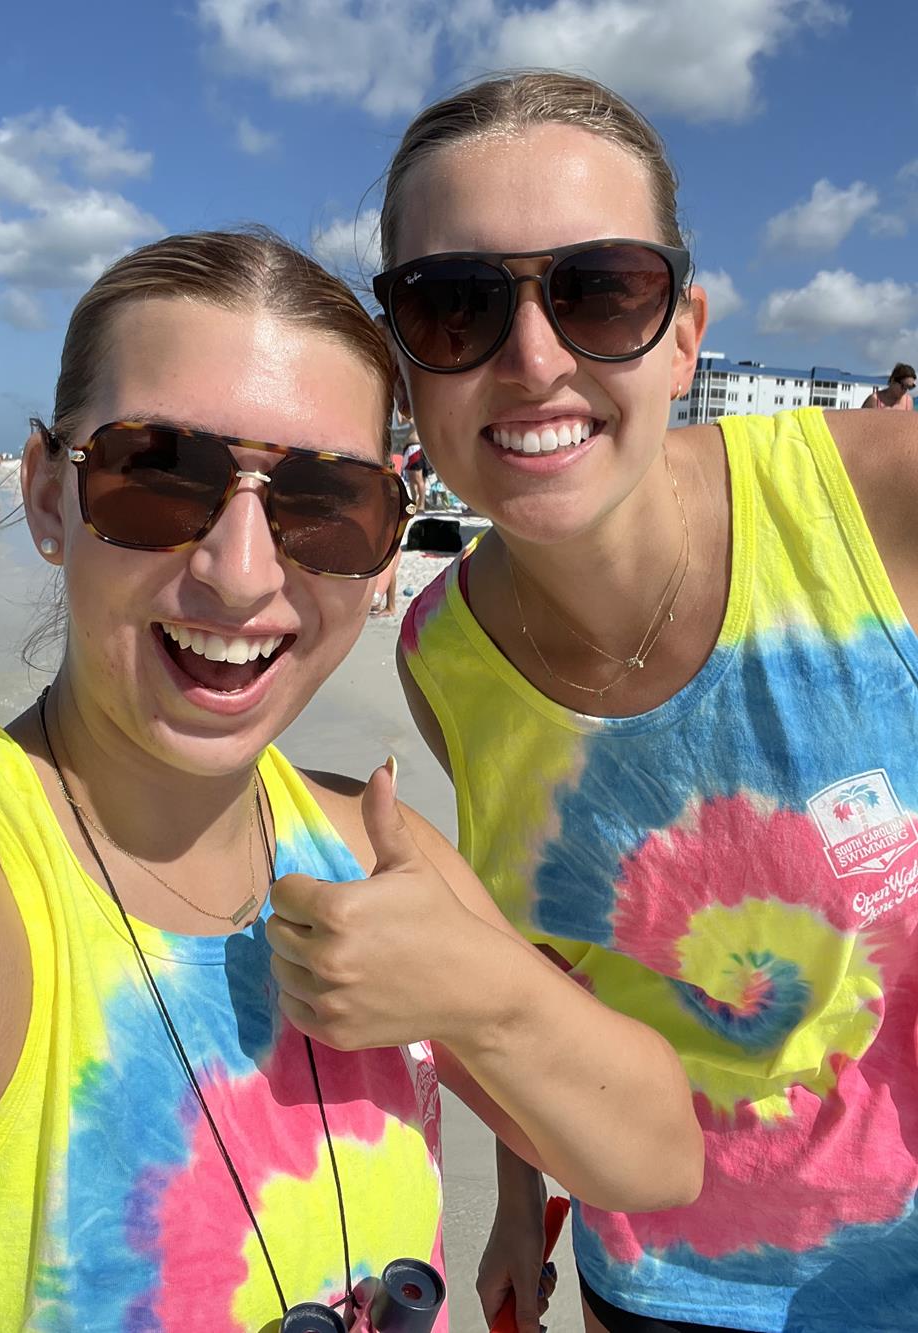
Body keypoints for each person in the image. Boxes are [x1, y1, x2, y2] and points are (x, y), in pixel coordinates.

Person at [0, 227, 701, 1331]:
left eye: (324, 503)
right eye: (158, 476)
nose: (241, 575)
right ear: (49, 494)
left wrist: (485, 993)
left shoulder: (365, 845)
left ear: (383, 540)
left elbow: (652, 1162)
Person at [374, 70, 918, 1333]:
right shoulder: (439, 652)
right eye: (453, 307)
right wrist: (516, 1204)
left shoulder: (876, 501)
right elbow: (538, 963)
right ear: (404, 366)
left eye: (599, 290)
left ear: (684, 329)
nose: (533, 358)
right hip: (653, 1276)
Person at [402, 424, 426, 510]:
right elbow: (401, 422)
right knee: (411, 479)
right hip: (407, 448)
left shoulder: (415, 413)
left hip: (415, 447)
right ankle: (414, 503)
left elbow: (410, 420)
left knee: (418, 478)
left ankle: (422, 504)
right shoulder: (404, 414)